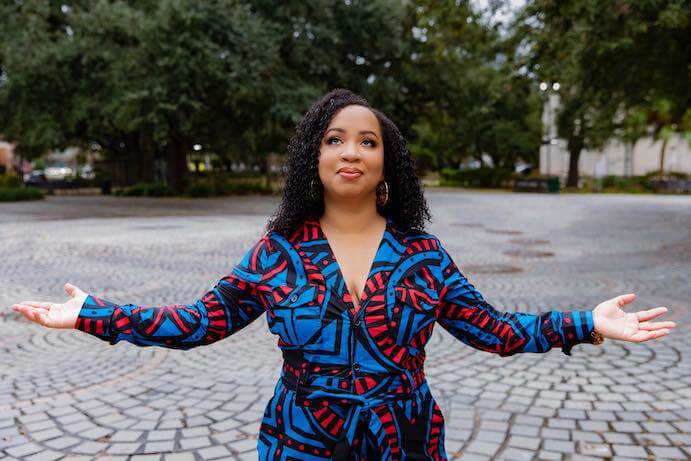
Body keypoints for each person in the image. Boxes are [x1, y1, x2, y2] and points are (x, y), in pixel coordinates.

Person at [11, 88, 676, 461]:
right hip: (302, 438)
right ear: (312, 156)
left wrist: (585, 323)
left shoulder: (423, 256)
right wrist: (93, 313)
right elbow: (195, 323)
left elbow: (495, 330)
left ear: (388, 163)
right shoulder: (277, 253)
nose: (350, 150)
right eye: (333, 137)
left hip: (404, 440)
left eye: (367, 139)